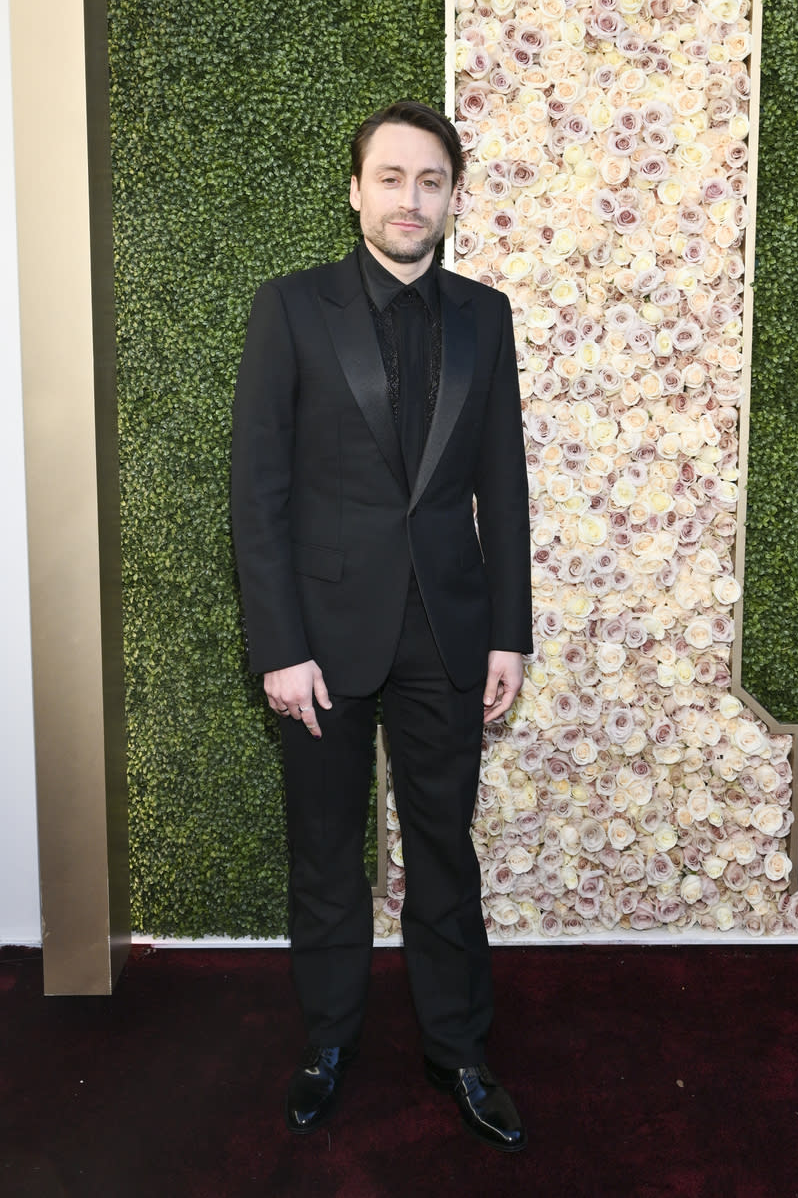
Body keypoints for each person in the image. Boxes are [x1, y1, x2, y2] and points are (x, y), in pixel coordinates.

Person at [231, 100, 532, 1152]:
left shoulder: (483, 315)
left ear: (452, 195)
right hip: (317, 638)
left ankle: (456, 1046)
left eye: (432, 180)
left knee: (444, 848)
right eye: (391, 177)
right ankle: (327, 1038)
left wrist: (509, 630)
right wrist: (277, 644)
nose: (412, 198)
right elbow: (256, 489)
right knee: (324, 849)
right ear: (355, 189)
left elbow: (503, 479)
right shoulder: (290, 308)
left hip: (448, 634)